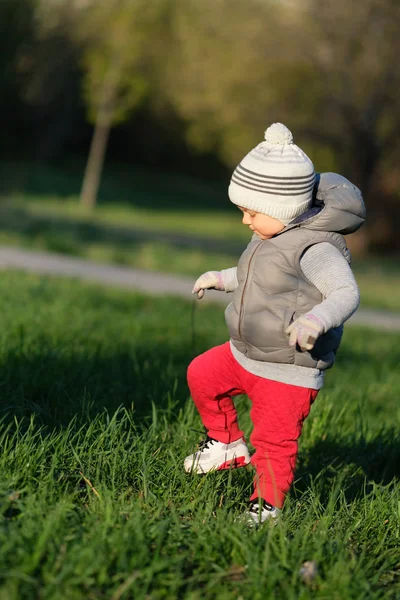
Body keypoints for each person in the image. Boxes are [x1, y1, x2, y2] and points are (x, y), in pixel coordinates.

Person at [184, 123, 365, 525]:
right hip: (243, 354)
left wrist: (316, 320)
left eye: (251, 211)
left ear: (284, 209)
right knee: (202, 374)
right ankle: (227, 442)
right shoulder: (269, 235)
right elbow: (257, 276)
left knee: (273, 442)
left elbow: (345, 293)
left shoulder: (315, 247)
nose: (245, 220)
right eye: (242, 211)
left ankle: (266, 508)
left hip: (287, 369)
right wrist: (220, 278)